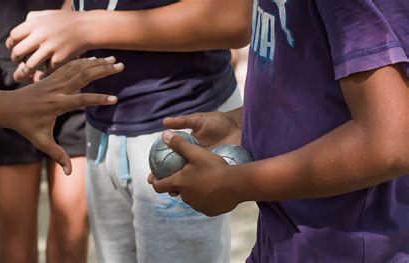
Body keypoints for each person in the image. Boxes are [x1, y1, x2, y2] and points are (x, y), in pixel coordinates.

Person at [149, 1, 409, 262]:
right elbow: (315, 78)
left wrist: (235, 184)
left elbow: (392, 141)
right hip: (282, 237)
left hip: (346, 247)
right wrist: (242, 126)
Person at [6, 1, 252, 262]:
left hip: (180, 122)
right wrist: (58, 28)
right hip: (103, 126)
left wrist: (84, 26)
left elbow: (233, 18)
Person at [0, 1, 92, 262]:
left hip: (73, 83)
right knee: (16, 251)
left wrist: (65, 33)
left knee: (72, 240)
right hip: (4, 91)